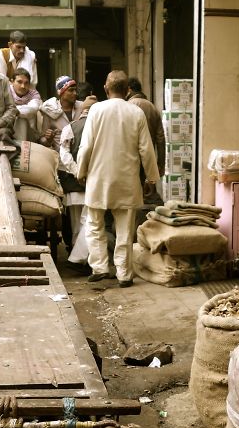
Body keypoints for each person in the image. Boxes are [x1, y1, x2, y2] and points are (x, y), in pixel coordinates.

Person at [75, 70, 160, 288]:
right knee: (125, 230)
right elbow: (146, 150)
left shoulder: (96, 110)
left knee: (94, 225)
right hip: (127, 180)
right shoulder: (136, 113)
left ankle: (100, 267)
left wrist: (81, 172)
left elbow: (86, 146)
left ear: (105, 88)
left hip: (99, 178)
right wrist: (151, 178)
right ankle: (124, 274)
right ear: (127, 90)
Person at [58, 82, 98, 270]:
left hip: (74, 185)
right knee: (89, 223)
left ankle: (77, 257)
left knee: (77, 224)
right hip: (94, 183)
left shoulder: (70, 128)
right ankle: (83, 259)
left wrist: (76, 171)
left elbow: (64, 155)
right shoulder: (100, 129)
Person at [126, 77, 166, 178]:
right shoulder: (152, 107)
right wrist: (160, 164)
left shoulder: (127, 107)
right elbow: (160, 139)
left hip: (130, 161)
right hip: (149, 160)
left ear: (129, 90)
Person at [39, 75, 87, 151]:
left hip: (80, 155)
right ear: (61, 92)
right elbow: (43, 141)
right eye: (71, 90)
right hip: (61, 158)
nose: (75, 93)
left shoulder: (82, 106)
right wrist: (48, 139)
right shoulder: (51, 111)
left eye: (75, 90)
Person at [9, 68, 42, 142]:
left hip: (29, 133)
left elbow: (32, 109)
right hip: (7, 130)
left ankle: (22, 148)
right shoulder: (6, 91)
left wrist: (11, 111)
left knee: (22, 119)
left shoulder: (34, 94)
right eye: (19, 82)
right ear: (12, 82)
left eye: (26, 83)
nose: (23, 86)